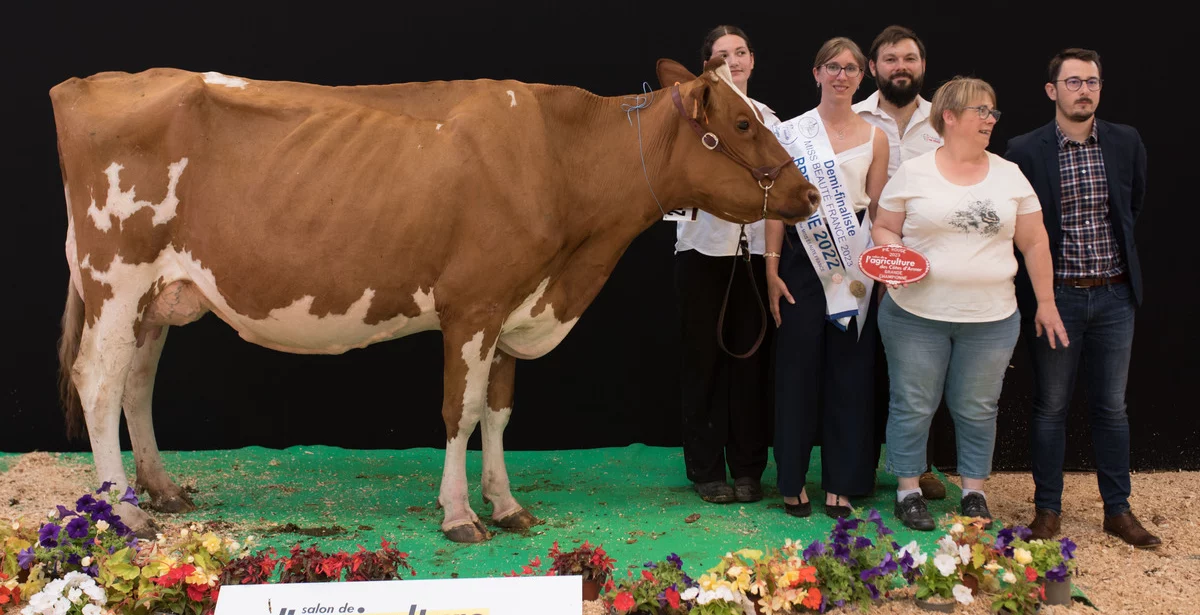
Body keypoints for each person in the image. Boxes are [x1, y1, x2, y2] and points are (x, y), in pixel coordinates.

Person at [872, 76, 1068, 530]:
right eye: (981, 111)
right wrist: (897, 255)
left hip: (992, 318)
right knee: (913, 403)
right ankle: (908, 490)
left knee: (978, 406)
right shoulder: (914, 172)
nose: (990, 120)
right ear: (950, 116)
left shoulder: (1009, 174)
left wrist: (1046, 302)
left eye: (993, 112)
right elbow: (884, 226)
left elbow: (1035, 243)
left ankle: (974, 493)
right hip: (914, 315)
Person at [1004, 48, 1160, 548]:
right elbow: (1019, 228)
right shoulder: (1024, 150)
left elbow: (1132, 205)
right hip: (1057, 300)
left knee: (1111, 408)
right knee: (1051, 407)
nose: (1084, 90)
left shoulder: (1125, 141)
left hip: (1115, 296)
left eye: (1091, 81)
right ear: (1052, 91)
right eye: (1073, 82)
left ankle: (1118, 510)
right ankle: (1047, 510)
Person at [766, 37, 889, 519]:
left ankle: (844, 480)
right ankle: (792, 480)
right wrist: (772, 268)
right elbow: (776, 206)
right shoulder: (790, 133)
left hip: (854, 258)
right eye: (832, 67)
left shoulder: (877, 137)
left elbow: (879, 211)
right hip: (801, 256)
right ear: (816, 73)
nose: (842, 75)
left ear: (863, 77)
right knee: (795, 372)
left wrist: (880, 267)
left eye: (851, 69)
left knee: (851, 374)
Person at [677, 25, 777, 505]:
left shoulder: (772, 120)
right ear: (708, 67)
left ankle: (749, 468)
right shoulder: (693, 120)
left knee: (751, 363)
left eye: (740, 52)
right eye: (722, 55)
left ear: (752, 60)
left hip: (755, 254)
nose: (733, 60)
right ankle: (704, 467)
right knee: (703, 362)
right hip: (703, 251)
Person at [852, 24, 949, 501]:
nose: (901, 67)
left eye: (909, 58)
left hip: (927, 268)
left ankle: (920, 466)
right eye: (890, 59)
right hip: (855, 266)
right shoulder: (850, 117)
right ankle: (861, 464)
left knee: (921, 371)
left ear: (923, 65)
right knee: (864, 365)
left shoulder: (945, 122)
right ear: (873, 68)